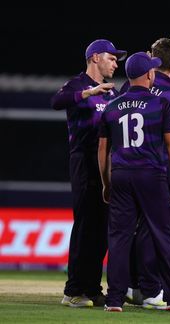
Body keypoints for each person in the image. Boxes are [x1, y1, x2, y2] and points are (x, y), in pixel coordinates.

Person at [97, 52, 170, 312]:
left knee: (119, 238)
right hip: (151, 175)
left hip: (121, 174)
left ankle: (114, 299)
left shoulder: (111, 106)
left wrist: (106, 183)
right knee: (163, 235)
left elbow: (102, 150)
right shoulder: (160, 104)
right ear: (148, 75)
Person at [51, 39, 127, 308]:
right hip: (84, 160)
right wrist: (88, 93)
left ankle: (93, 288)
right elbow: (57, 101)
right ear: (95, 57)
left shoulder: (112, 92)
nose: (115, 63)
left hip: (107, 163)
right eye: (111, 58)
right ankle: (72, 291)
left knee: (102, 227)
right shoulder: (78, 84)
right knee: (85, 225)